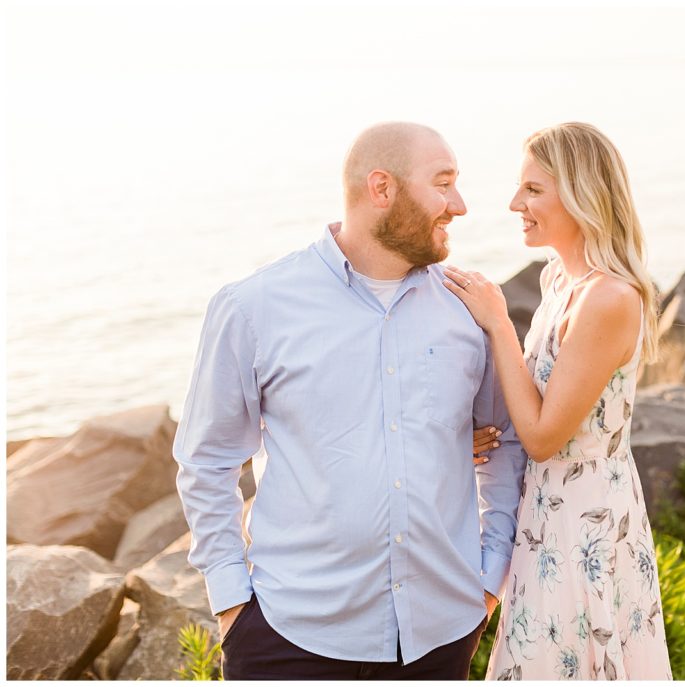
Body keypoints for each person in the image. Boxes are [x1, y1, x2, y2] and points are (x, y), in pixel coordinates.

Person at [173, 121, 527, 680]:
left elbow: (503, 446)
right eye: (443, 183)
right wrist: (231, 603)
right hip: (290, 633)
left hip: (440, 634)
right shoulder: (254, 307)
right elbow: (207, 459)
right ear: (381, 189)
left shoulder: (470, 313)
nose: (459, 205)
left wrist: (489, 577)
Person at [443, 122, 673, 680]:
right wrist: (465, 439)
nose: (515, 203)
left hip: (584, 519)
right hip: (547, 511)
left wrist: (497, 321)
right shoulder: (560, 281)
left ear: (580, 194)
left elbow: (546, 438)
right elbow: (539, 403)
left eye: (533, 190)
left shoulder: (608, 298)